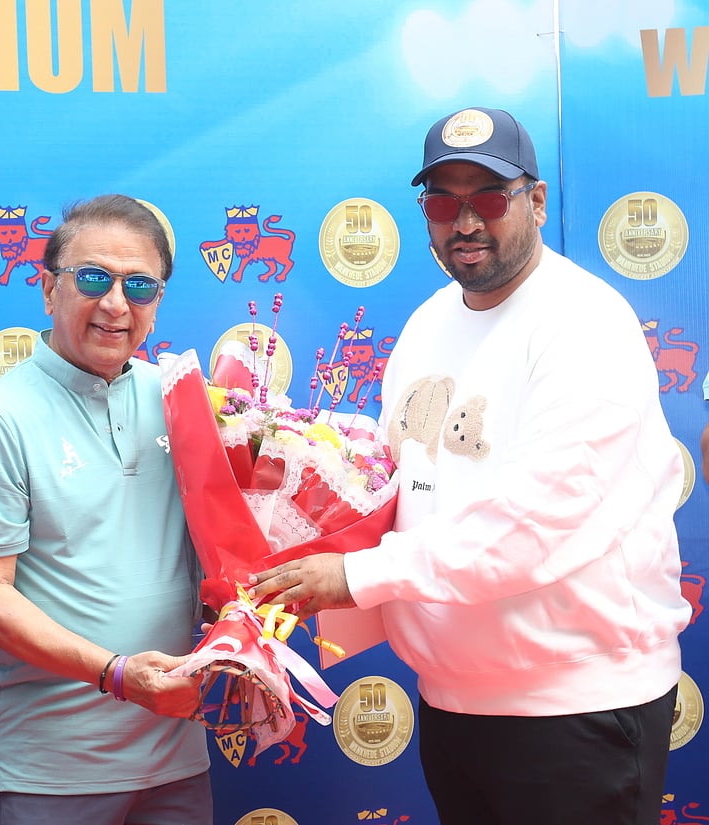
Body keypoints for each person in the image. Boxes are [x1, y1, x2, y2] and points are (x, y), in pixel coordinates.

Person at [251, 107, 690, 825]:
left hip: (576, 710)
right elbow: (398, 487)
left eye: (488, 197)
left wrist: (353, 577)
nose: (465, 222)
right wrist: (287, 525)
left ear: (537, 202)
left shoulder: (583, 325)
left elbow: (532, 522)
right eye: (441, 201)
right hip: (453, 702)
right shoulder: (429, 323)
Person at [0, 194, 211, 825]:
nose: (116, 304)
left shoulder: (185, 403)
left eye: (139, 286)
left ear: (158, 302)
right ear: (48, 290)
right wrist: (116, 674)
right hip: (51, 772)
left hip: (177, 756)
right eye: (94, 279)